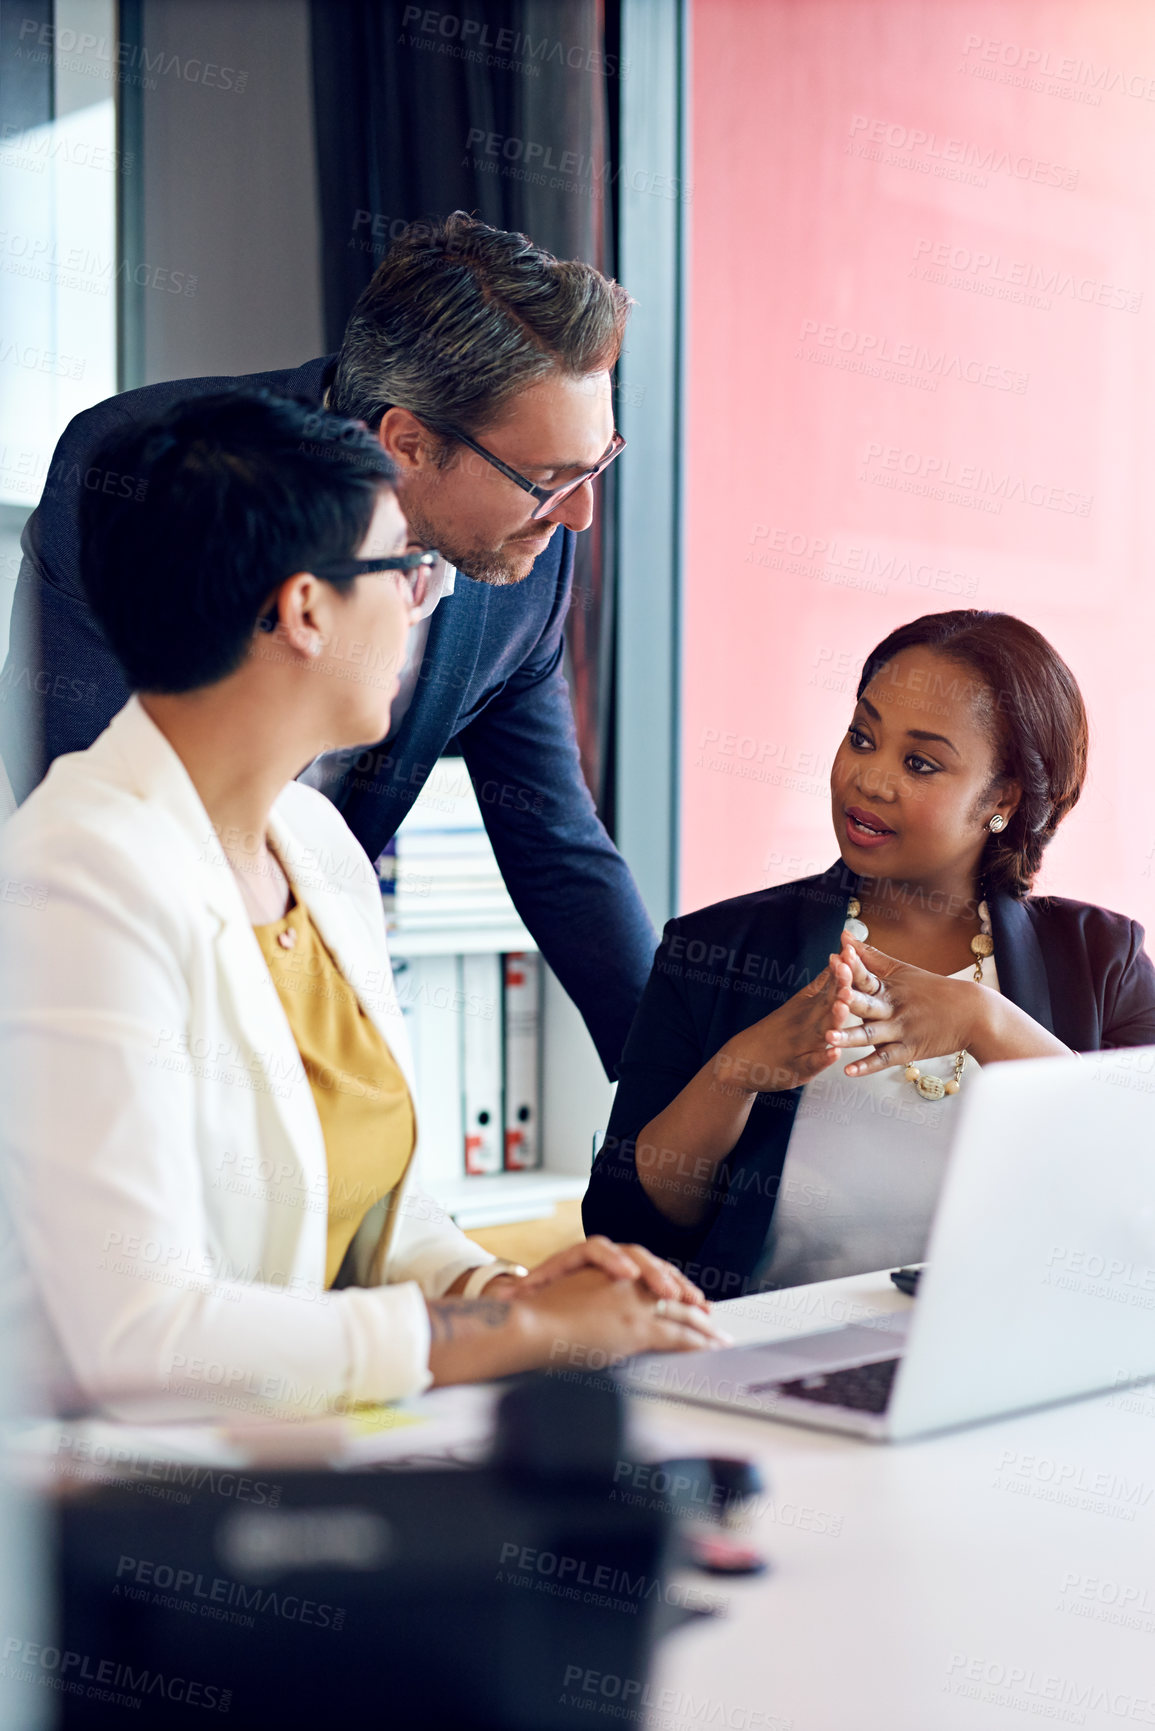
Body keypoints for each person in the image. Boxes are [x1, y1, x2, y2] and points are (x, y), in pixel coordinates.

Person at [0, 392, 727, 1421]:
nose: (424, 604)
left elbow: (381, 1213)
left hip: (303, 1450)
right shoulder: (77, 882)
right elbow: (140, 1340)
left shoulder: (320, 850)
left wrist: (499, 1290)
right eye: (407, 570)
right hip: (118, 1505)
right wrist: (512, 1336)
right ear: (304, 610)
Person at [0, 212, 652, 1077]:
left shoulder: (527, 542)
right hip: (124, 982)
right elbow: (91, 799)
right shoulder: (147, 479)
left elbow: (556, 841)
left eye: (595, 465)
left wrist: (690, 1106)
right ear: (407, 443)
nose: (578, 514)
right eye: (550, 481)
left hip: (319, 955)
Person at [583, 610, 1155, 1299]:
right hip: (767, 1366)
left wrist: (986, 1022)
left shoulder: (1102, 960)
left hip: (1010, 1358)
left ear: (999, 799)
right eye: (861, 738)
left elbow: (1134, 1194)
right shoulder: (714, 950)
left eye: (918, 763)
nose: (869, 780)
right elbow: (622, 1227)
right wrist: (736, 1071)